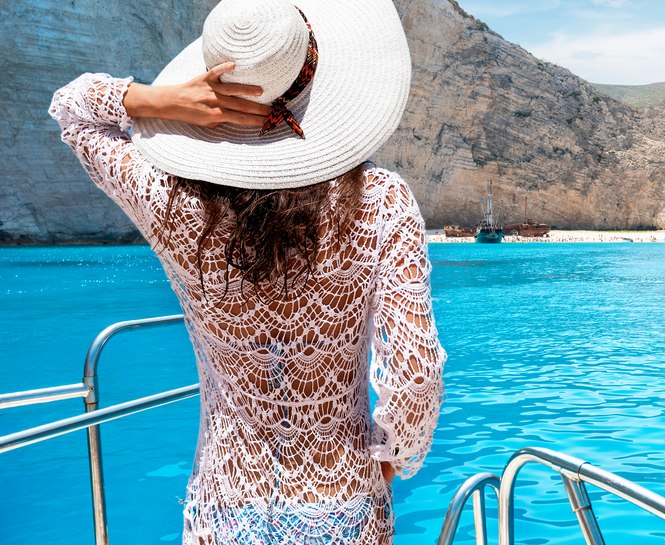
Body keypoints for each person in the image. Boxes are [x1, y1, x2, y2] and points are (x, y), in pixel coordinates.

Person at [48, 0, 446, 543]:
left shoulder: (165, 200)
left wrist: (163, 101)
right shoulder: (379, 202)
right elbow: (415, 378)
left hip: (224, 505)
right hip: (343, 501)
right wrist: (389, 463)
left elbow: (72, 109)